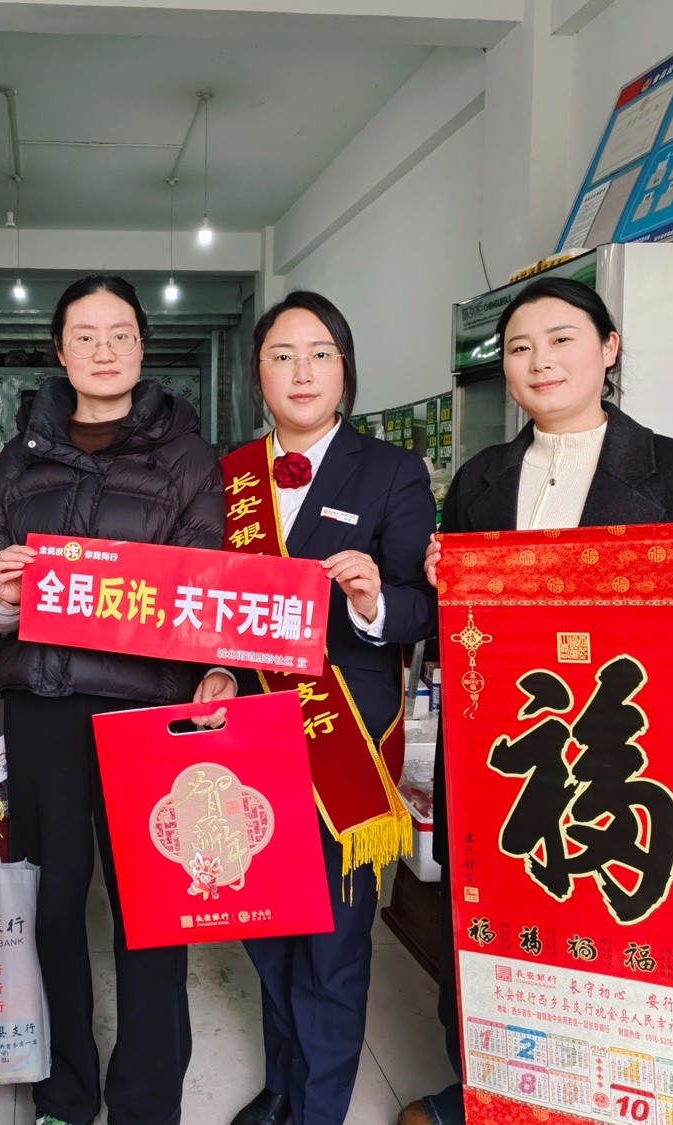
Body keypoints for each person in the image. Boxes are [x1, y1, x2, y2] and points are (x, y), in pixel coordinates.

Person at [398, 276, 673, 1125]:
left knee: (614, 925)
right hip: (511, 765)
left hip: (620, 762)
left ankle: (611, 1098)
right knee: (493, 922)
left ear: (608, 349)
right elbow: (461, 634)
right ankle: (487, 1088)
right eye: (520, 347)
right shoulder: (481, 480)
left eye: (562, 339)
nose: (540, 361)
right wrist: (443, 582)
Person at [0, 274, 223, 1125]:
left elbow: (206, 581)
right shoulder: (18, 458)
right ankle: (64, 1092)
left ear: (143, 346)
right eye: (84, 335)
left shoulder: (189, 457)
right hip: (43, 704)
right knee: (51, 907)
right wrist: (1, 594)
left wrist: (214, 670)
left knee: (152, 910)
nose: (103, 350)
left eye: (120, 333)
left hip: (147, 710)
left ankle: (147, 1101)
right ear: (60, 350)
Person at [191, 291, 437, 1125]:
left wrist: (373, 603)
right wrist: (218, 666)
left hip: (345, 742)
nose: (302, 371)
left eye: (320, 353)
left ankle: (318, 1107)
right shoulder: (226, 476)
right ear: (257, 374)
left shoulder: (392, 470)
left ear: (345, 368)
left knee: (333, 941)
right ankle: (281, 1085)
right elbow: (207, 601)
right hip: (249, 739)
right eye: (282, 355)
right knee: (266, 928)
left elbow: (424, 606)